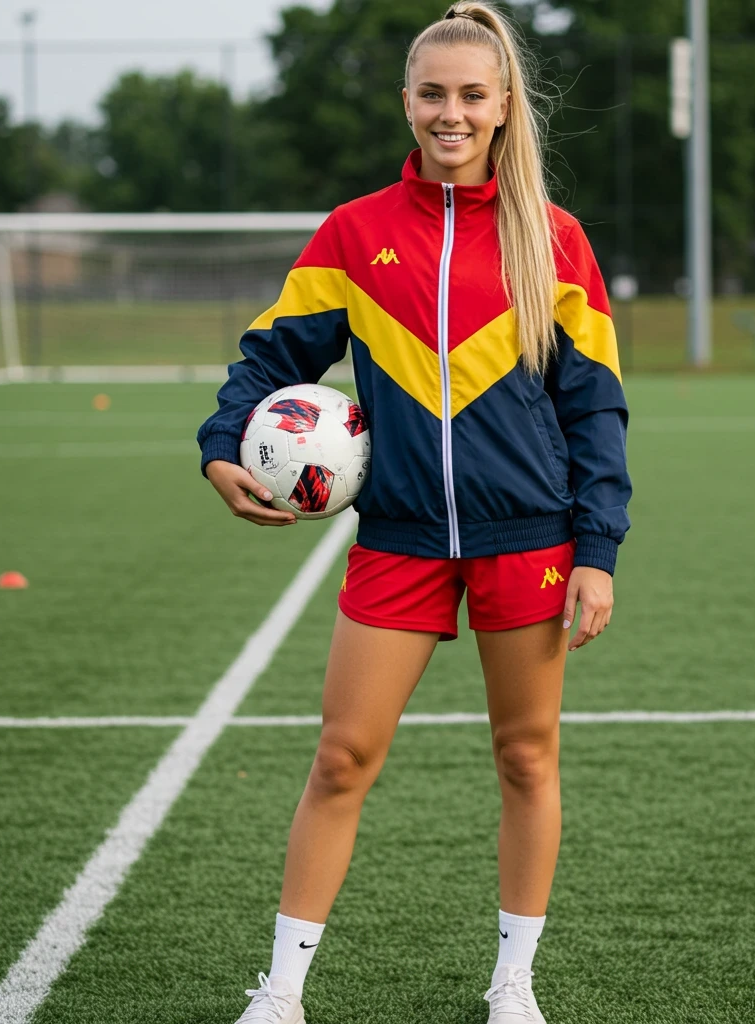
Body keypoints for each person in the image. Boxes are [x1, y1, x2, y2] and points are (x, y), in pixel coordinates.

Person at [196, 3, 631, 1021]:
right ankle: (283, 991)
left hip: (529, 536)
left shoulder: (554, 240)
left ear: (503, 105)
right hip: (398, 538)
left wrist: (598, 547)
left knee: (526, 756)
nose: (452, 113)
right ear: (406, 102)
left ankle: (514, 982)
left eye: (472, 95)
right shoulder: (354, 233)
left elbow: (596, 404)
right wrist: (220, 444)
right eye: (433, 93)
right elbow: (271, 355)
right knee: (341, 757)